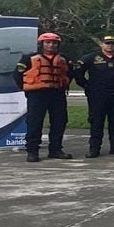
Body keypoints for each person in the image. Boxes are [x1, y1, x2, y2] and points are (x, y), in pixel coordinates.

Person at [71, 35, 114, 158]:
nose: (110, 45)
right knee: (96, 122)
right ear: (102, 44)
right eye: (107, 43)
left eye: (112, 43)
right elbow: (78, 73)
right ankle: (94, 148)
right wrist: (87, 86)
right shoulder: (90, 58)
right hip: (97, 95)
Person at [13, 32, 72, 162]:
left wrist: (63, 86)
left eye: (54, 42)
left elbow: (70, 73)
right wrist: (26, 89)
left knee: (59, 122)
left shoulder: (64, 59)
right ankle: (32, 151)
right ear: (42, 44)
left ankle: (56, 150)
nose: (51, 45)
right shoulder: (29, 58)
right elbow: (17, 75)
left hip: (57, 94)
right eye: (48, 42)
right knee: (35, 122)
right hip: (37, 95)